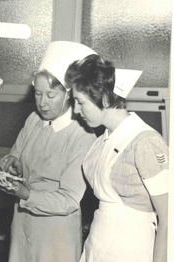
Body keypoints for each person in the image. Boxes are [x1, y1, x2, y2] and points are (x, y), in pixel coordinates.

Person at [0, 41, 97, 262]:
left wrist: (25, 193)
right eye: (37, 94)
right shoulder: (34, 120)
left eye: (50, 96)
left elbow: (69, 200)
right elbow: (17, 155)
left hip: (56, 232)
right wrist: (12, 161)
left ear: (69, 95)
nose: (42, 103)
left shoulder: (82, 135)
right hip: (23, 222)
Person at [65, 54, 168, 262]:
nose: (75, 110)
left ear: (104, 99)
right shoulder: (102, 141)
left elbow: (169, 219)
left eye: (80, 102)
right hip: (98, 245)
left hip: (131, 250)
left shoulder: (145, 142)